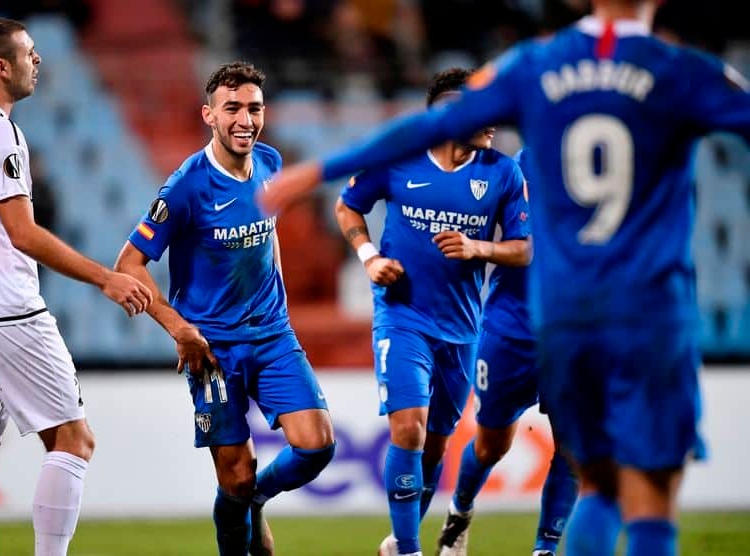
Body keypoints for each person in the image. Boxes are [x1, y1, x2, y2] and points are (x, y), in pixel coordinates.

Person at [261, 1, 750, 554]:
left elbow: (425, 133)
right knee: (642, 490)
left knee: (586, 474)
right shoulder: (682, 70)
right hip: (648, 307)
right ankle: (418, 542)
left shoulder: (535, 69)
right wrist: (368, 249)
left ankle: (517, 542)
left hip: (562, 310)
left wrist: (317, 170)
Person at [0, 17, 152, 556]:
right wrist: (105, 278)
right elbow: (21, 233)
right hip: (5, 308)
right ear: (1, 66)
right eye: (30, 53)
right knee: (74, 439)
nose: (38, 61)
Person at [114, 61, 336, 556]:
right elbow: (129, 264)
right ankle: (244, 507)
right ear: (208, 115)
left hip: (273, 335)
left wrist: (276, 296)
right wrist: (180, 329)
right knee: (234, 477)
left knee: (317, 445)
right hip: (213, 347)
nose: (245, 119)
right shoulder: (187, 187)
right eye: (232, 108)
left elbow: (268, 231)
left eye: (253, 108)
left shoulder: (272, 164)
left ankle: (256, 500)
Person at [333, 68, 531, 556]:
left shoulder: (502, 172)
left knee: (436, 447)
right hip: (403, 316)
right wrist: (370, 257)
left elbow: (525, 250)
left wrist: (477, 247)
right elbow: (347, 207)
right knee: (409, 426)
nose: (492, 121)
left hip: (464, 329)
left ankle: (396, 545)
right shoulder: (398, 158)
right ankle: (408, 548)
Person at [434, 149, 578, 556]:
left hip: (572, 331)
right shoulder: (520, 166)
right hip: (511, 329)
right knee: (492, 444)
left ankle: (545, 548)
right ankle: (459, 512)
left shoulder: (609, 159)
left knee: (573, 445)